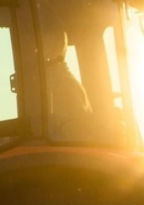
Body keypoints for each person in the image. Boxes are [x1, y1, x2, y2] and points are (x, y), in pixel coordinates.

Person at [41, 2, 92, 139]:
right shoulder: (56, 82)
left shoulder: (63, 86)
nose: (33, 50)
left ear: (56, 43)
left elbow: (70, 135)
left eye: (40, 40)